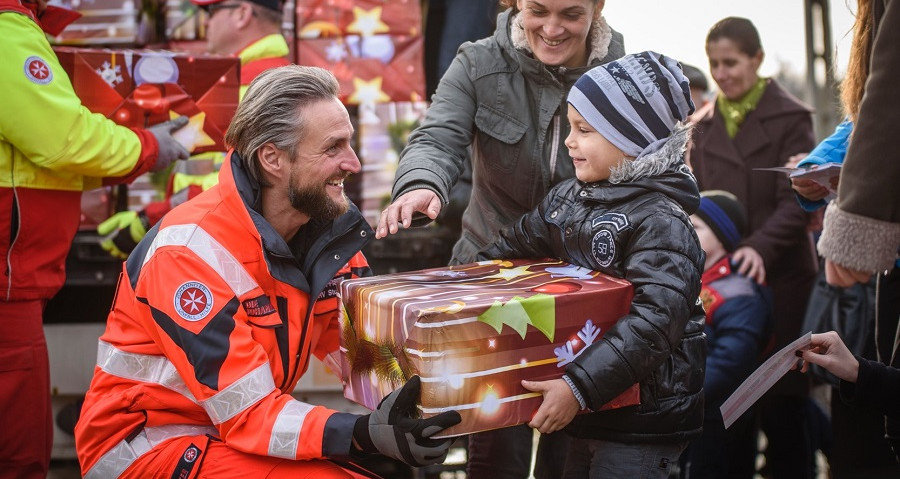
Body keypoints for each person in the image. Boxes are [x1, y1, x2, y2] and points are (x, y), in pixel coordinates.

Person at [74, 66, 461, 478]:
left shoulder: (327, 239)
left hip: (227, 438)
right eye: (333, 148)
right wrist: (365, 434)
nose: (354, 162)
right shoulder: (188, 253)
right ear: (272, 158)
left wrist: (451, 399)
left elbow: (366, 359)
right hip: (146, 446)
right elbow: (249, 412)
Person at [375, 1, 625, 475]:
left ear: (597, 8)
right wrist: (421, 185)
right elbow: (436, 138)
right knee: (494, 446)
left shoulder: (623, 75)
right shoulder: (477, 62)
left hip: (584, 288)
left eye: (571, 14)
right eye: (538, 11)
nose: (551, 29)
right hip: (490, 279)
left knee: (571, 444)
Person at [475, 51, 705, 478]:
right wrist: (461, 294)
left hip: (639, 421)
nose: (568, 141)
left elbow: (655, 323)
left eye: (584, 130)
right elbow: (507, 251)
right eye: (570, 127)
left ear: (631, 139)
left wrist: (578, 387)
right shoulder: (566, 201)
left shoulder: (662, 221)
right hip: (576, 411)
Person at [0, 0, 191, 476]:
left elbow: (34, 161)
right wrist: (149, 149)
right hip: (7, 284)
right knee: (17, 453)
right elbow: (64, 139)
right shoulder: (7, 31)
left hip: (14, 279)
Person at [688, 16, 818, 478]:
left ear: (757, 60)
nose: (721, 74)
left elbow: (799, 199)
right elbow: (694, 200)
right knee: (730, 413)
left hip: (781, 280)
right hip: (720, 284)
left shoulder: (792, 118)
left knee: (784, 409)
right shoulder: (700, 127)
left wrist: (759, 248)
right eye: (714, 64)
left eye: (731, 62)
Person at [98, 0, 291, 259]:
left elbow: (247, 182)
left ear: (242, 14)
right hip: (217, 236)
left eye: (210, 12)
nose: (206, 23)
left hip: (226, 243)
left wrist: (149, 220)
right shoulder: (253, 82)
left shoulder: (253, 88)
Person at [680, 190, 772, 478]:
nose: (687, 233)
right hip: (692, 408)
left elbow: (732, 360)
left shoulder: (739, 293)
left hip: (718, 414)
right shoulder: (694, 278)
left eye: (696, 228)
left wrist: (683, 395)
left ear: (722, 237)